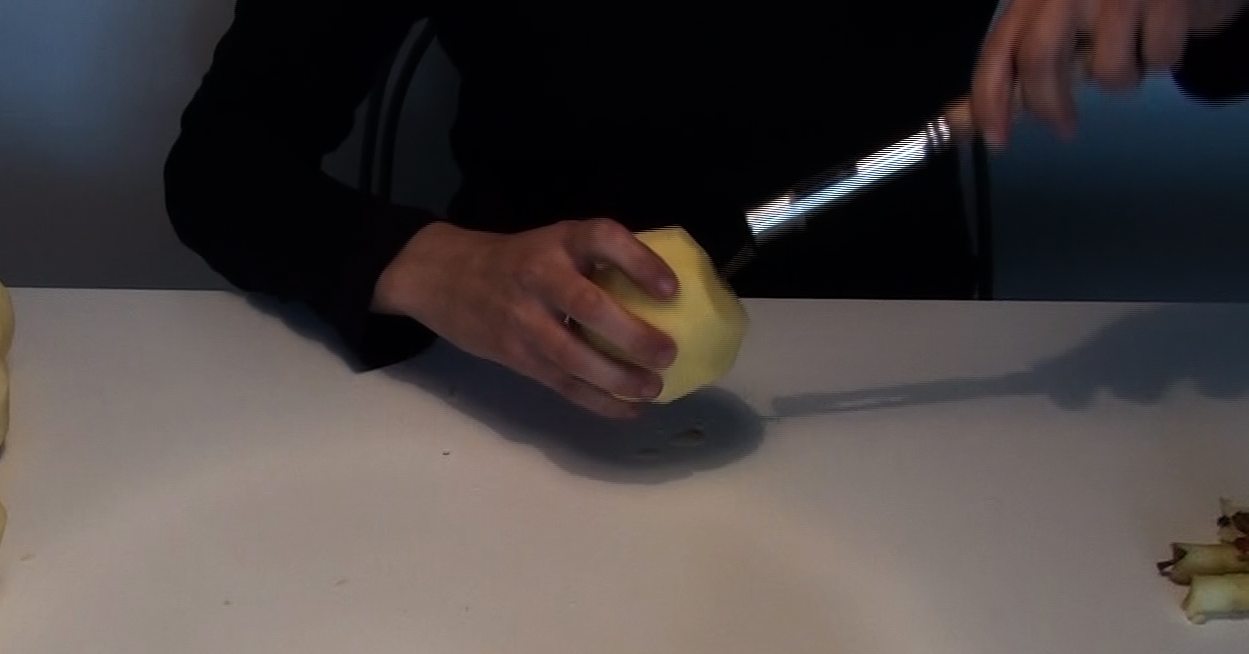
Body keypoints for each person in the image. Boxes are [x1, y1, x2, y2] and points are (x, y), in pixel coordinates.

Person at [164, 1, 1249, 419]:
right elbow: (222, 163)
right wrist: (438, 266)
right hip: (519, 399)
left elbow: (1223, 51)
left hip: (909, 393)